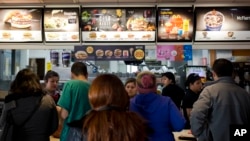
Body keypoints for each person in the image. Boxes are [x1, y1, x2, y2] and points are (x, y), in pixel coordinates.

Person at [190, 58, 250, 141]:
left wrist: (199, 134)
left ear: (214, 74)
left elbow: (196, 113)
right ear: (232, 74)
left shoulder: (209, 91)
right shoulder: (244, 94)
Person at [78, 74, 148, 141]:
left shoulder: (81, 127)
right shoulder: (136, 127)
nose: (130, 89)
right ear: (122, 94)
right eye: (128, 87)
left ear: (93, 95)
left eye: (132, 87)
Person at [0, 68, 58, 141]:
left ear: (17, 83)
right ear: (36, 82)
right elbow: (54, 126)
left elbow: (3, 123)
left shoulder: (11, 100)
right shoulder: (48, 100)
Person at [130, 71, 186, 141]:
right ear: (155, 85)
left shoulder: (130, 104)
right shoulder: (166, 102)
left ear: (137, 86)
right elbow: (179, 126)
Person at [57, 62, 91, 141]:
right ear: (87, 74)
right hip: (89, 133)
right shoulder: (93, 87)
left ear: (72, 74)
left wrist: (57, 110)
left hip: (71, 134)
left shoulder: (70, 84)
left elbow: (64, 114)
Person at [43, 70, 62, 138]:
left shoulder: (60, 97)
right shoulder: (41, 97)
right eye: (52, 81)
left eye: (57, 82)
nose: (55, 84)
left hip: (57, 131)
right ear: (46, 82)